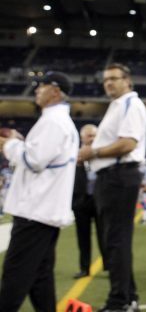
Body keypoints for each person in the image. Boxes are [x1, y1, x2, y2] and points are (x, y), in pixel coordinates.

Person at [0, 71, 79, 312]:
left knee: (15, 275)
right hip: (44, 212)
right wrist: (20, 143)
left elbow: (33, 160)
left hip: (34, 211)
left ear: (55, 91)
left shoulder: (53, 122)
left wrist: (10, 144)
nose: (36, 90)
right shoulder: (58, 121)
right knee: (40, 278)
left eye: (41, 86)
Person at [78, 63, 146, 312]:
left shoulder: (131, 104)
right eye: (106, 79)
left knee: (116, 241)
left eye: (114, 78)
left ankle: (120, 301)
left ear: (127, 81)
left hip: (118, 176)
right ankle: (128, 298)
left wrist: (93, 152)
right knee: (114, 241)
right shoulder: (118, 105)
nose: (108, 82)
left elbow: (128, 143)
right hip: (112, 177)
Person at [73, 123, 101, 279]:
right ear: (82, 137)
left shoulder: (102, 154)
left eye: (95, 135)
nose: (92, 139)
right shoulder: (73, 155)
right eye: (89, 135)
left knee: (105, 235)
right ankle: (84, 268)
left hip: (99, 200)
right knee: (83, 237)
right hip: (81, 201)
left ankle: (109, 265)